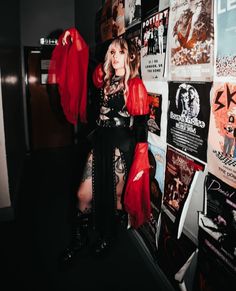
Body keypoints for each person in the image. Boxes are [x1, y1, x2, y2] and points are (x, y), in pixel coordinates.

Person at [60, 35, 151, 263]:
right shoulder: (104, 79)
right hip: (100, 140)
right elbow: (86, 61)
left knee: (117, 197)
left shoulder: (135, 85)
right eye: (112, 52)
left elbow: (141, 124)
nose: (115, 56)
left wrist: (140, 159)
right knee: (83, 194)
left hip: (121, 145)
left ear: (130, 56)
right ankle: (79, 239)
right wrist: (76, 40)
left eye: (120, 52)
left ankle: (109, 236)